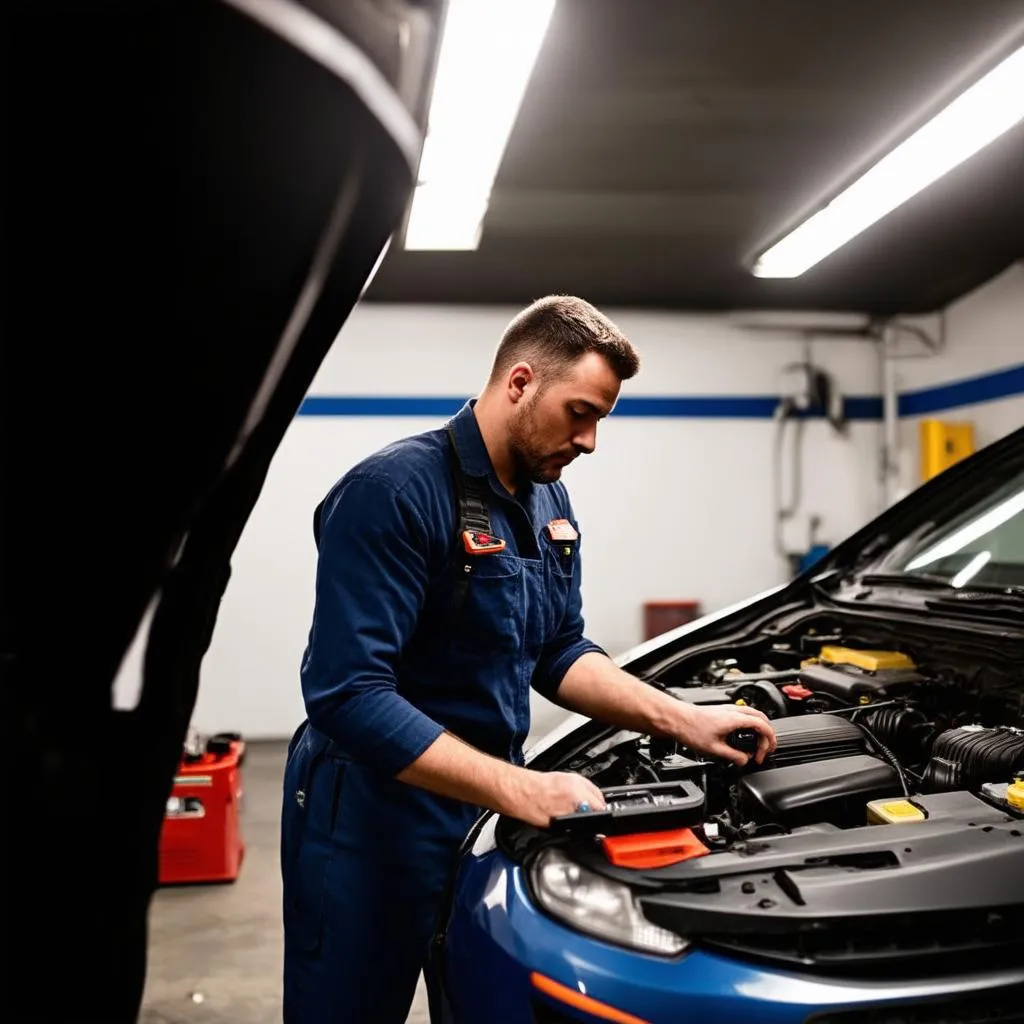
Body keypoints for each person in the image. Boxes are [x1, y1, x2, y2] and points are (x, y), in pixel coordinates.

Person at [280, 295, 776, 1023]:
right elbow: (347, 692)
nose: (590, 440)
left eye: (601, 419)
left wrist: (684, 720)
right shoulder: (391, 492)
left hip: (477, 811)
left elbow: (558, 650)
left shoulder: (548, 502)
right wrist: (517, 788)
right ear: (519, 383)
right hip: (367, 822)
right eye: (581, 412)